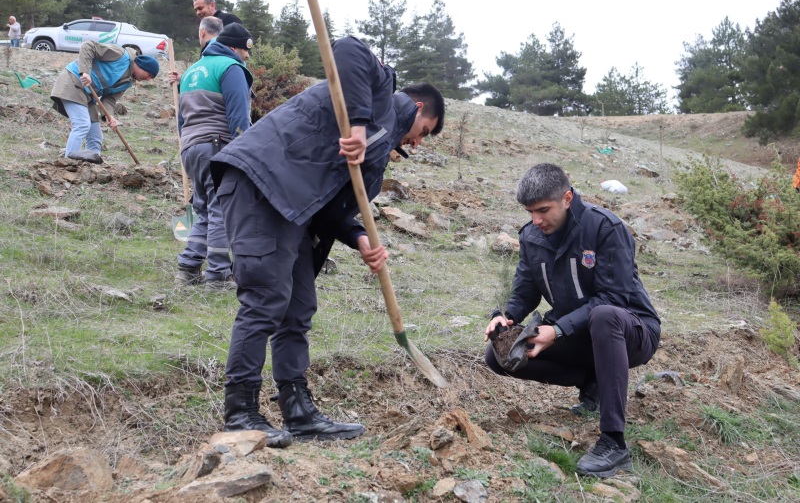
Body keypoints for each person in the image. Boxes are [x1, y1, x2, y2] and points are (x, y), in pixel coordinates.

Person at [208, 36, 445, 447]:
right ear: (418, 107)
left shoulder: (375, 160)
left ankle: (298, 411)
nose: (417, 143)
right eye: (424, 131)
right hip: (261, 182)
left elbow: (333, 212)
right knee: (265, 298)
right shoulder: (379, 94)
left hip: (295, 210)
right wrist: (358, 123)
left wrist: (359, 237)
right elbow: (348, 49)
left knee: (298, 308)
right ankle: (241, 413)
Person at [483, 163, 661, 478]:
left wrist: (558, 330)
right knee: (497, 355)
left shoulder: (605, 228)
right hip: (575, 333)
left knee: (604, 317)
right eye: (530, 212)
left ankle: (614, 442)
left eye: (543, 210)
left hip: (631, 330)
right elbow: (524, 292)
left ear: (566, 198)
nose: (536, 220)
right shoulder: (531, 236)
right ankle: (593, 382)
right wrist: (505, 318)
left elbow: (614, 298)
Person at [175, 23, 254, 291]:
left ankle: (188, 268)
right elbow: (239, 117)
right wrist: (245, 154)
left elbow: (181, 119)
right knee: (222, 209)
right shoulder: (231, 68)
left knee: (204, 211)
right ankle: (218, 275)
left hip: (191, 148)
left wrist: (190, 145)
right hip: (217, 146)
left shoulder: (191, 71)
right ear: (233, 47)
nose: (246, 56)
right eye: (245, 50)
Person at [50, 41, 159, 163]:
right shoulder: (120, 55)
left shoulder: (128, 82)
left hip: (88, 96)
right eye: (149, 75)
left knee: (95, 136)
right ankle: (68, 162)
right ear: (143, 66)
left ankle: (91, 166)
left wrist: (109, 116)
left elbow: (109, 99)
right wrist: (85, 72)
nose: (148, 79)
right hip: (73, 81)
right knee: (82, 124)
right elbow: (88, 46)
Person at [167, 16, 223, 87]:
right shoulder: (226, 49)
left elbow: (204, 84)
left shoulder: (211, 52)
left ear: (202, 33)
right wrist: (182, 81)